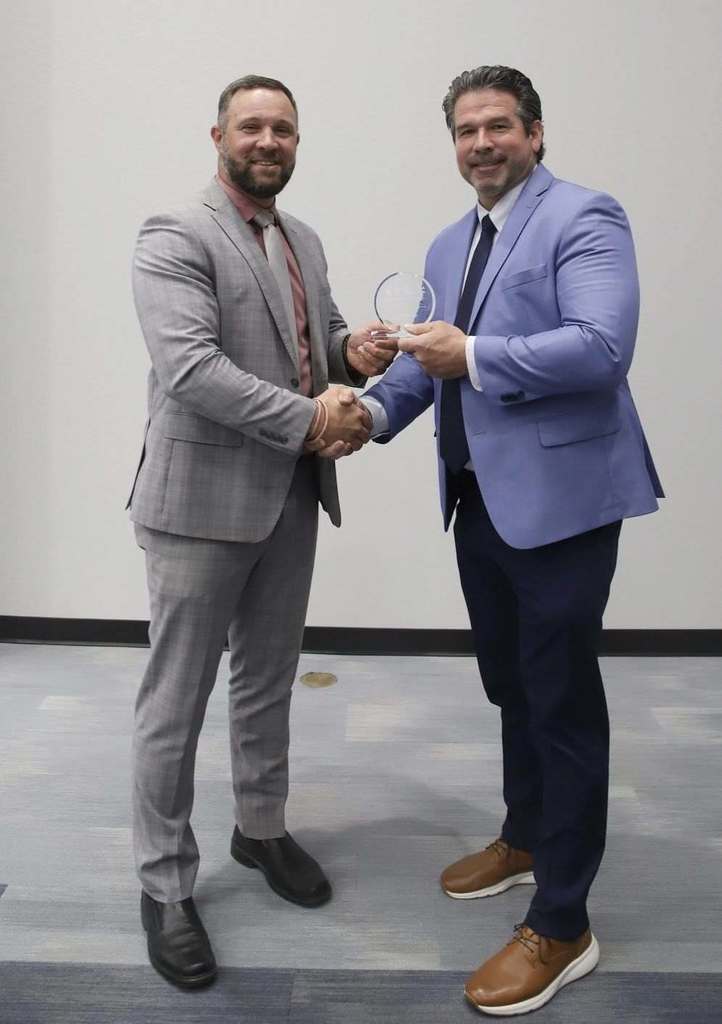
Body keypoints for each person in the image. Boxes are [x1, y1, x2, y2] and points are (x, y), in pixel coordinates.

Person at [362, 65, 663, 1016]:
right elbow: (430, 367)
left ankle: (564, 922)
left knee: (562, 698)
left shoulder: (585, 216)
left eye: (499, 127)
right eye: (466, 131)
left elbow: (602, 346)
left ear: (535, 133)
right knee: (511, 681)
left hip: (565, 502)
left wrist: (475, 355)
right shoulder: (453, 241)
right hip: (478, 501)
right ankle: (526, 834)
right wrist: (364, 411)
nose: (482, 144)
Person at [127, 74, 392, 989]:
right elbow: (193, 369)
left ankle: (260, 829)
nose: (268, 140)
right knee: (176, 700)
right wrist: (313, 421)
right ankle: (164, 884)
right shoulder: (174, 233)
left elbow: (320, 338)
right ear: (219, 136)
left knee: (267, 681)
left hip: (286, 499)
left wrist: (356, 351)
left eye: (282, 127)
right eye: (252, 126)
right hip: (200, 500)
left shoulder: (302, 238)